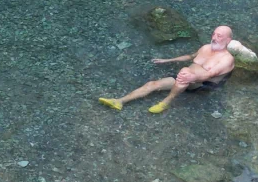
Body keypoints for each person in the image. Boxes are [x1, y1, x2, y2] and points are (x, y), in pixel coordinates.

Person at [99, 25, 239, 115]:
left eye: (219, 36)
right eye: (213, 34)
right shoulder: (205, 48)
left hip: (203, 84)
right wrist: (167, 60)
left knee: (185, 72)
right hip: (187, 77)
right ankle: (119, 101)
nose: (214, 38)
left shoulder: (227, 59)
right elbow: (190, 56)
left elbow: (210, 74)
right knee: (153, 84)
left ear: (228, 40)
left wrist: (192, 77)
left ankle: (166, 102)